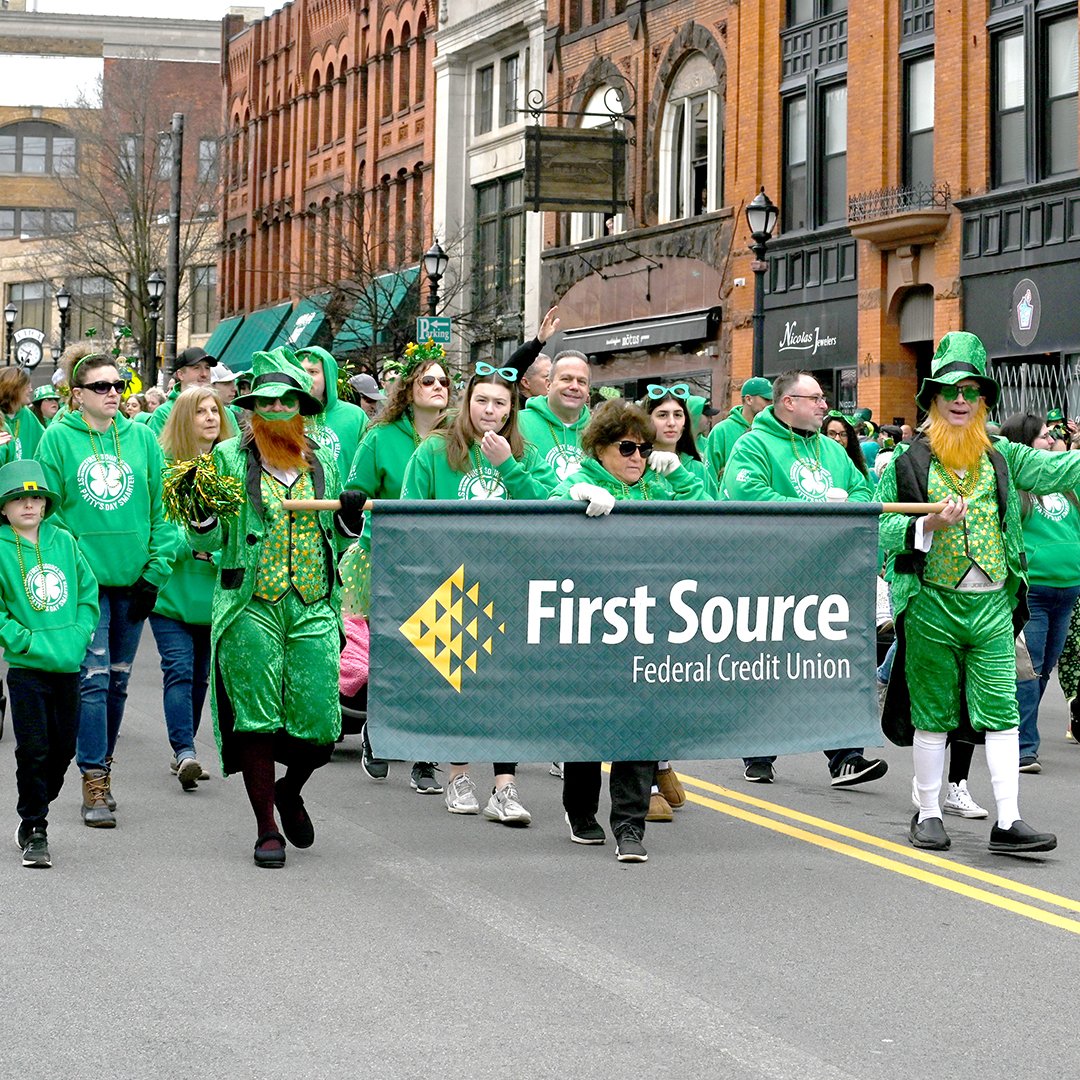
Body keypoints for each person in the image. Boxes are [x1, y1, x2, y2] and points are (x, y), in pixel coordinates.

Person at [877, 331, 1080, 854]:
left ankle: (1008, 821)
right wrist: (926, 529)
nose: (961, 399)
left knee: (1002, 711)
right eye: (950, 390)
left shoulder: (1003, 456)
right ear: (932, 400)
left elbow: (1060, 469)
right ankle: (927, 812)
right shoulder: (906, 462)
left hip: (992, 605)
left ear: (984, 398)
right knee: (933, 713)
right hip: (931, 603)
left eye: (971, 390)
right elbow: (875, 530)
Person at [188, 347, 365, 868]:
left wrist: (351, 516)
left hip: (313, 603)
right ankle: (267, 827)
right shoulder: (224, 460)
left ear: (301, 409)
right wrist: (199, 517)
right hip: (249, 603)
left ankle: (291, 790)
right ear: (249, 410)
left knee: (321, 723)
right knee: (256, 718)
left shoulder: (323, 460)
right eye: (266, 403)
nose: (278, 410)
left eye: (289, 401)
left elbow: (339, 531)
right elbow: (213, 536)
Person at [401, 362, 558, 824]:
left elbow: (548, 506)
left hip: (509, 581)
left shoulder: (524, 453)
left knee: (506, 687)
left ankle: (505, 787)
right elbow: (412, 512)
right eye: (482, 401)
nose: (490, 411)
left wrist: (506, 465)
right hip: (450, 582)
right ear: (467, 403)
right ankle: (459, 774)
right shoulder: (433, 450)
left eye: (500, 404)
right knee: (458, 683)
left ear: (512, 411)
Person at [551, 398, 706, 862]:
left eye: (644, 448)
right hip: (590, 628)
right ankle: (581, 812)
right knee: (587, 726)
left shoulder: (657, 486)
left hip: (648, 625)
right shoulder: (577, 482)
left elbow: (712, 511)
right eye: (627, 448)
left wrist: (677, 471)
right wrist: (572, 498)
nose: (638, 456)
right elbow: (545, 511)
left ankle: (630, 825)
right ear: (600, 449)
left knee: (641, 723)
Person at [722, 370, 887, 789]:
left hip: (828, 574)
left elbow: (864, 491)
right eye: (815, 398)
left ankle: (845, 757)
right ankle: (759, 752)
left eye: (823, 398)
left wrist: (849, 504)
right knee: (770, 664)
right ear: (788, 402)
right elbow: (748, 496)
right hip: (772, 574)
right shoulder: (753, 445)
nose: (824, 405)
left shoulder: (832, 452)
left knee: (832, 665)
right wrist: (813, 511)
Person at [35, 343, 173, 827]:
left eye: (120, 385)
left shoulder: (141, 440)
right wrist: (68, 573)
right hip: (84, 587)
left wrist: (155, 573)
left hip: (133, 580)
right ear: (77, 395)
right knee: (91, 683)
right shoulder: (57, 440)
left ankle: (104, 766)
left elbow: (162, 510)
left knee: (117, 683)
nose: (114, 393)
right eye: (102, 387)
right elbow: (46, 513)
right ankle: (93, 779)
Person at [344, 341, 451, 792]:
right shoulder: (380, 438)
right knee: (391, 655)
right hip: (386, 557)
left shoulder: (459, 440)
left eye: (445, 381)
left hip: (444, 563)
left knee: (437, 657)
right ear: (409, 389)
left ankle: (425, 755)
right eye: (428, 380)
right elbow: (355, 493)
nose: (438, 387)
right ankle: (378, 732)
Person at [0, 460, 98, 868]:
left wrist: (78, 636)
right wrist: (24, 640)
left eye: (36, 497)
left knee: (63, 750)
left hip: (68, 664)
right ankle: (35, 827)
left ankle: (39, 799)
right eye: (18, 498)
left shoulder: (64, 540)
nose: (28, 505)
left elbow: (87, 593)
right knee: (34, 750)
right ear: (4, 507)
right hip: (27, 669)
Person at [152, 386, 232, 791]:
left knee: (202, 677)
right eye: (200, 411)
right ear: (185, 418)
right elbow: (163, 528)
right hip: (171, 593)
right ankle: (185, 750)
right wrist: (193, 544)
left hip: (216, 592)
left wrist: (217, 553)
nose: (210, 417)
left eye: (214, 410)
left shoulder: (232, 466)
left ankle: (183, 750)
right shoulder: (166, 468)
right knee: (179, 671)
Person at [998, 411, 1080, 773]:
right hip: (1033, 592)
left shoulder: (1067, 485)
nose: (1051, 441)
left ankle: (1008, 729)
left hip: (1068, 589)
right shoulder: (1015, 487)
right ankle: (1022, 747)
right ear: (1023, 443)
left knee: (1044, 668)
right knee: (1027, 670)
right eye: (1044, 436)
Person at [517, 350, 591, 483]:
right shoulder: (518, 423)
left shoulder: (601, 431)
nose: (574, 386)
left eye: (581, 382)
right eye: (566, 379)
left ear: (588, 390)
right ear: (548, 385)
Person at [296, 346, 369, 479]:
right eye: (299, 371)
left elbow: (369, 469)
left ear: (328, 376)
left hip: (344, 499)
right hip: (297, 499)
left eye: (312, 372)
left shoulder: (354, 417)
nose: (304, 377)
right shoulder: (282, 414)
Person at [643, 383, 717, 498]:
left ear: (685, 422)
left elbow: (715, 513)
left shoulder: (697, 468)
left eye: (678, 415)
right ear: (646, 421)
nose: (671, 423)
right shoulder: (635, 465)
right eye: (662, 415)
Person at [705, 376, 771, 483]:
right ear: (749, 399)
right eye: (766, 399)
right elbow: (709, 475)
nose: (771, 405)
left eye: (773, 400)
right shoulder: (722, 430)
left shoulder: (772, 430)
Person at [147, 347, 215, 434]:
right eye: (196, 368)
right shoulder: (164, 413)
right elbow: (155, 447)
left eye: (207, 368)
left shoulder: (223, 411)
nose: (204, 374)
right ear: (181, 374)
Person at [0, 368, 45, 460]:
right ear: (14, 389)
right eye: (27, 386)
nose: (31, 390)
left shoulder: (26, 414)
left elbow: (46, 441)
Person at [822, 411, 869, 477]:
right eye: (831, 434)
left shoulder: (860, 467)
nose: (837, 439)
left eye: (843, 434)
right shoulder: (816, 464)